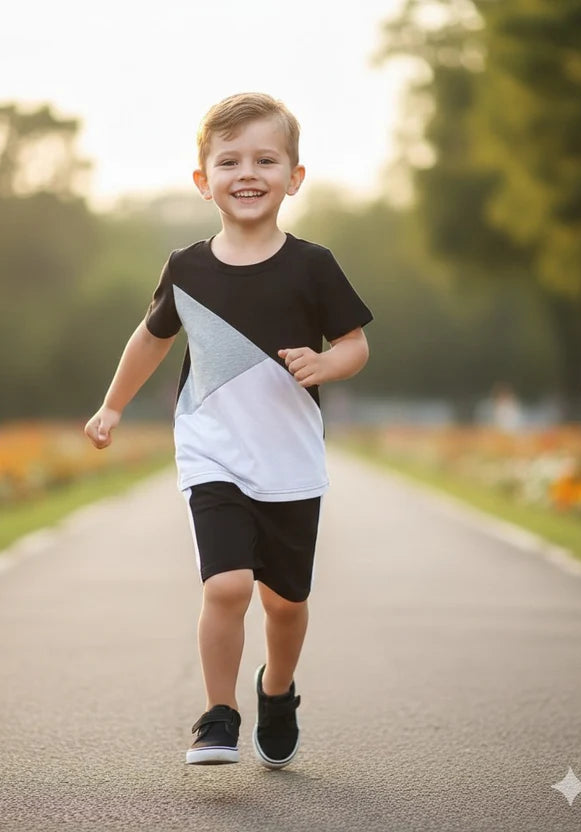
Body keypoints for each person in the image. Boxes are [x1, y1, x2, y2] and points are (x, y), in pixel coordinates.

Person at [84, 92, 373, 768]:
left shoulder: (313, 264)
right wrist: (113, 406)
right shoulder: (187, 267)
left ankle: (277, 690)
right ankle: (219, 714)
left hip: (291, 460)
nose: (248, 173)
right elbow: (150, 341)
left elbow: (356, 345)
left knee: (285, 605)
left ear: (295, 178)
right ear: (202, 180)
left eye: (266, 159)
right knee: (227, 586)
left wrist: (327, 361)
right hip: (212, 450)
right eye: (230, 161)